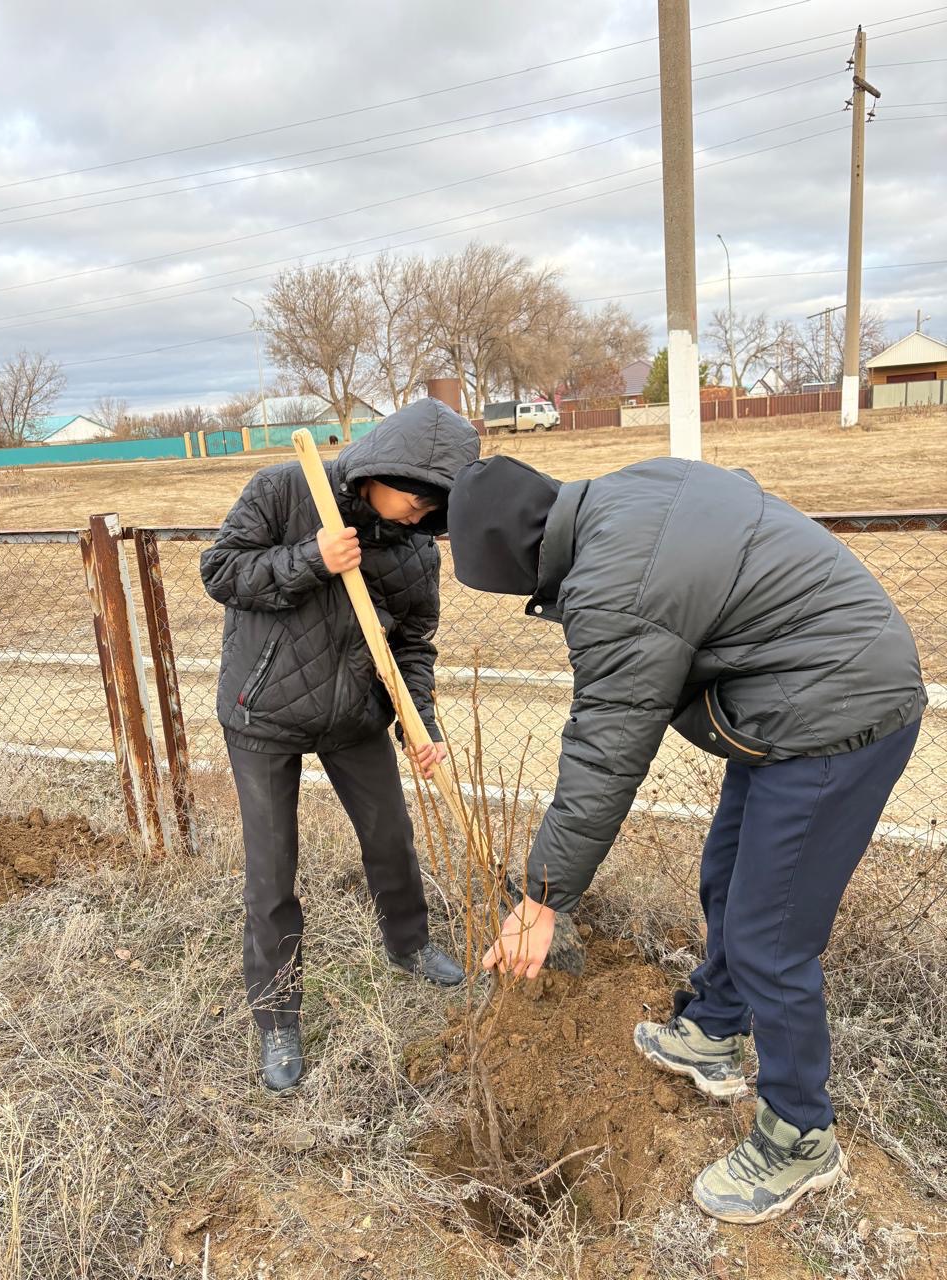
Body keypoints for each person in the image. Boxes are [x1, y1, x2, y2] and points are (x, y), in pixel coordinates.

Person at [446, 454, 926, 1225]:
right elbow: (735, 486)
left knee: (773, 938)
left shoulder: (614, 587)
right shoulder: (628, 492)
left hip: (837, 713)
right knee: (727, 876)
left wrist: (541, 900)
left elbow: (605, 752)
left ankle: (802, 1134)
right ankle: (714, 1030)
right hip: (787, 699)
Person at [201, 399, 480, 1092]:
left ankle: (409, 945)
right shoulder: (287, 489)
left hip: (354, 717)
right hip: (262, 713)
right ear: (381, 468)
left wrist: (421, 724)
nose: (419, 513)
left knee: (391, 837)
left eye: (433, 504)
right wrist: (311, 560)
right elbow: (221, 571)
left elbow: (413, 645)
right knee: (273, 870)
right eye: (414, 494)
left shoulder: (415, 549)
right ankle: (277, 1017)